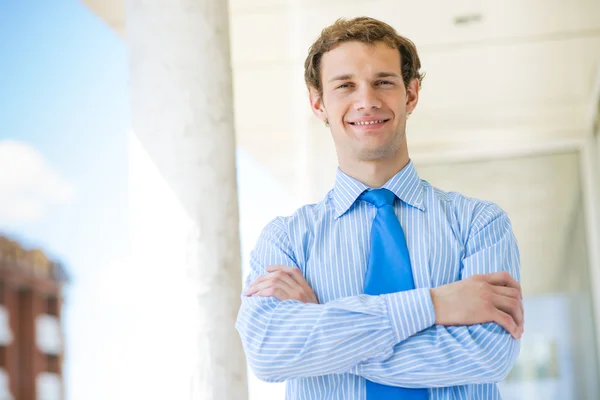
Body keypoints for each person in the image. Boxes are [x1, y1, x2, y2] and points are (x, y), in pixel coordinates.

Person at [235, 16, 523, 400]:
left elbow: (488, 356)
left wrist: (324, 327)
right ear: (318, 102)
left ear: (411, 95)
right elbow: (269, 353)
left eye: (383, 82)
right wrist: (434, 305)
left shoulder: (479, 224)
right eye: (345, 85)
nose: (366, 100)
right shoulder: (286, 240)